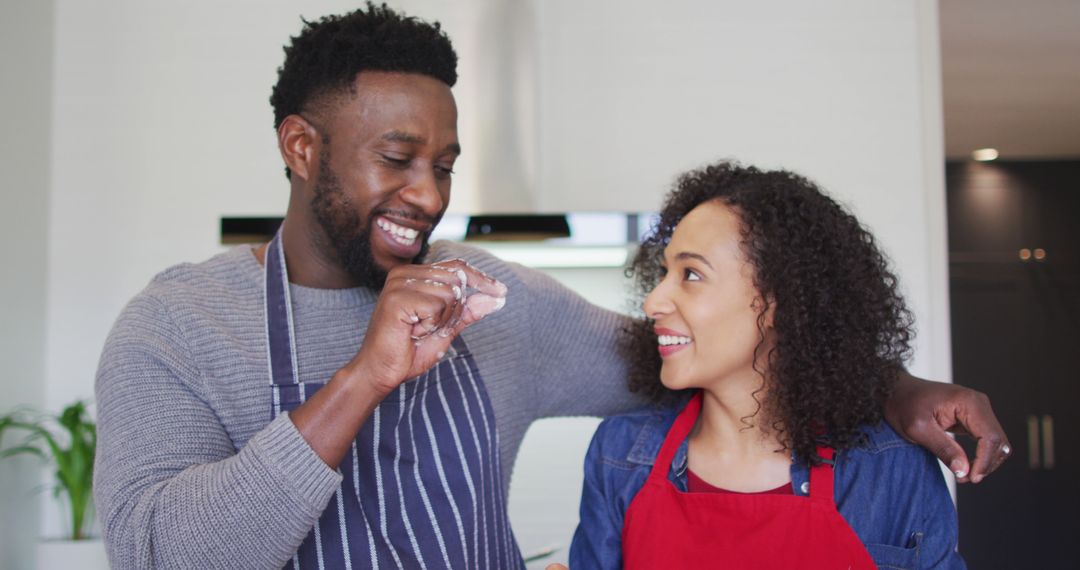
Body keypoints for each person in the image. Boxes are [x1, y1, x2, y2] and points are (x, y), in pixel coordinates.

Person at [93, 4, 1005, 569]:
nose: (430, 196)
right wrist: (361, 380)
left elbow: (703, 355)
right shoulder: (175, 327)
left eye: (445, 164)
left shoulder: (488, 298)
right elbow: (162, 554)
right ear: (301, 147)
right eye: (398, 159)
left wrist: (898, 388)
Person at [560, 162, 966, 569]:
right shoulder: (620, 455)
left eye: (692, 274)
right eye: (665, 271)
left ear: (778, 302)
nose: (653, 302)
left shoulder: (888, 466)